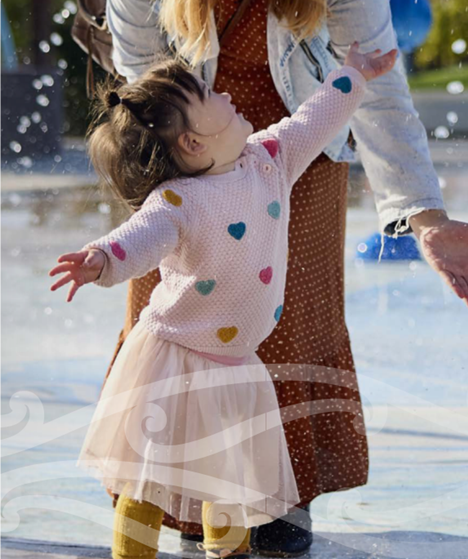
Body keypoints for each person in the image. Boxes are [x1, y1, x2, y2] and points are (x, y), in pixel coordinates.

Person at [99, 0, 468, 555]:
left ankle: (280, 507)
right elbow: (143, 86)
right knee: (170, 321)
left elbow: (377, 77)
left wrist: (424, 212)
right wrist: (178, 182)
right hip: (192, 147)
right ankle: (173, 498)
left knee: (288, 321)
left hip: (301, 150)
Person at [49, 44, 396, 559]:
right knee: (149, 480)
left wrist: (353, 75)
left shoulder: (268, 160)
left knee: (228, 482)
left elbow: (313, 120)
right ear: (191, 141)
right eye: (209, 94)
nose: (227, 92)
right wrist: (100, 259)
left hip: (234, 365)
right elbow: (136, 240)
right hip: (170, 361)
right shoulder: (177, 202)